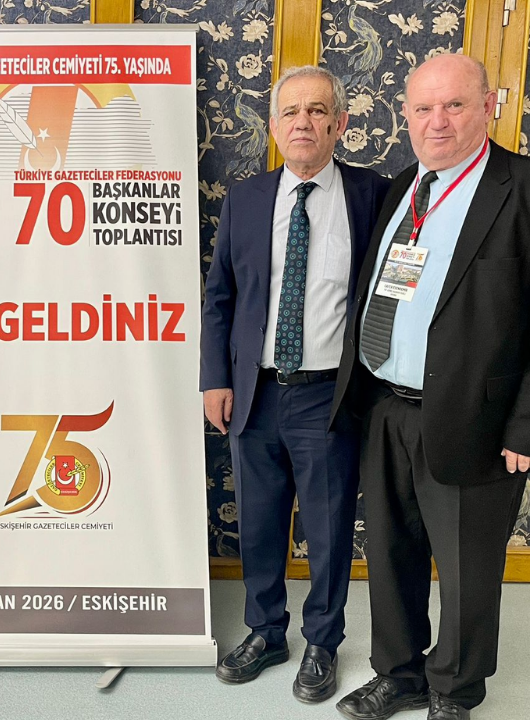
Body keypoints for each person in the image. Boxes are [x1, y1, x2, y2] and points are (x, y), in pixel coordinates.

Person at [332, 54, 530, 720]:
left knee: (467, 567)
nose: (438, 122)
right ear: (406, 115)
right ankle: (399, 673)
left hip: (479, 418)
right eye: (423, 108)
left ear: (488, 106)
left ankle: (454, 688)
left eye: (454, 105)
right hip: (386, 407)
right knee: (390, 555)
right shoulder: (403, 188)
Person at [200, 65, 390, 700]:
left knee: (329, 527)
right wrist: (215, 379)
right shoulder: (247, 198)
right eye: (290, 112)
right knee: (259, 522)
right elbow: (220, 296)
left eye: (317, 110)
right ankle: (266, 631)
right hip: (254, 391)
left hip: (328, 394)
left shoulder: (373, 195)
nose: (303, 122)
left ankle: (322, 643)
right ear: (274, 127)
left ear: (340, 123)